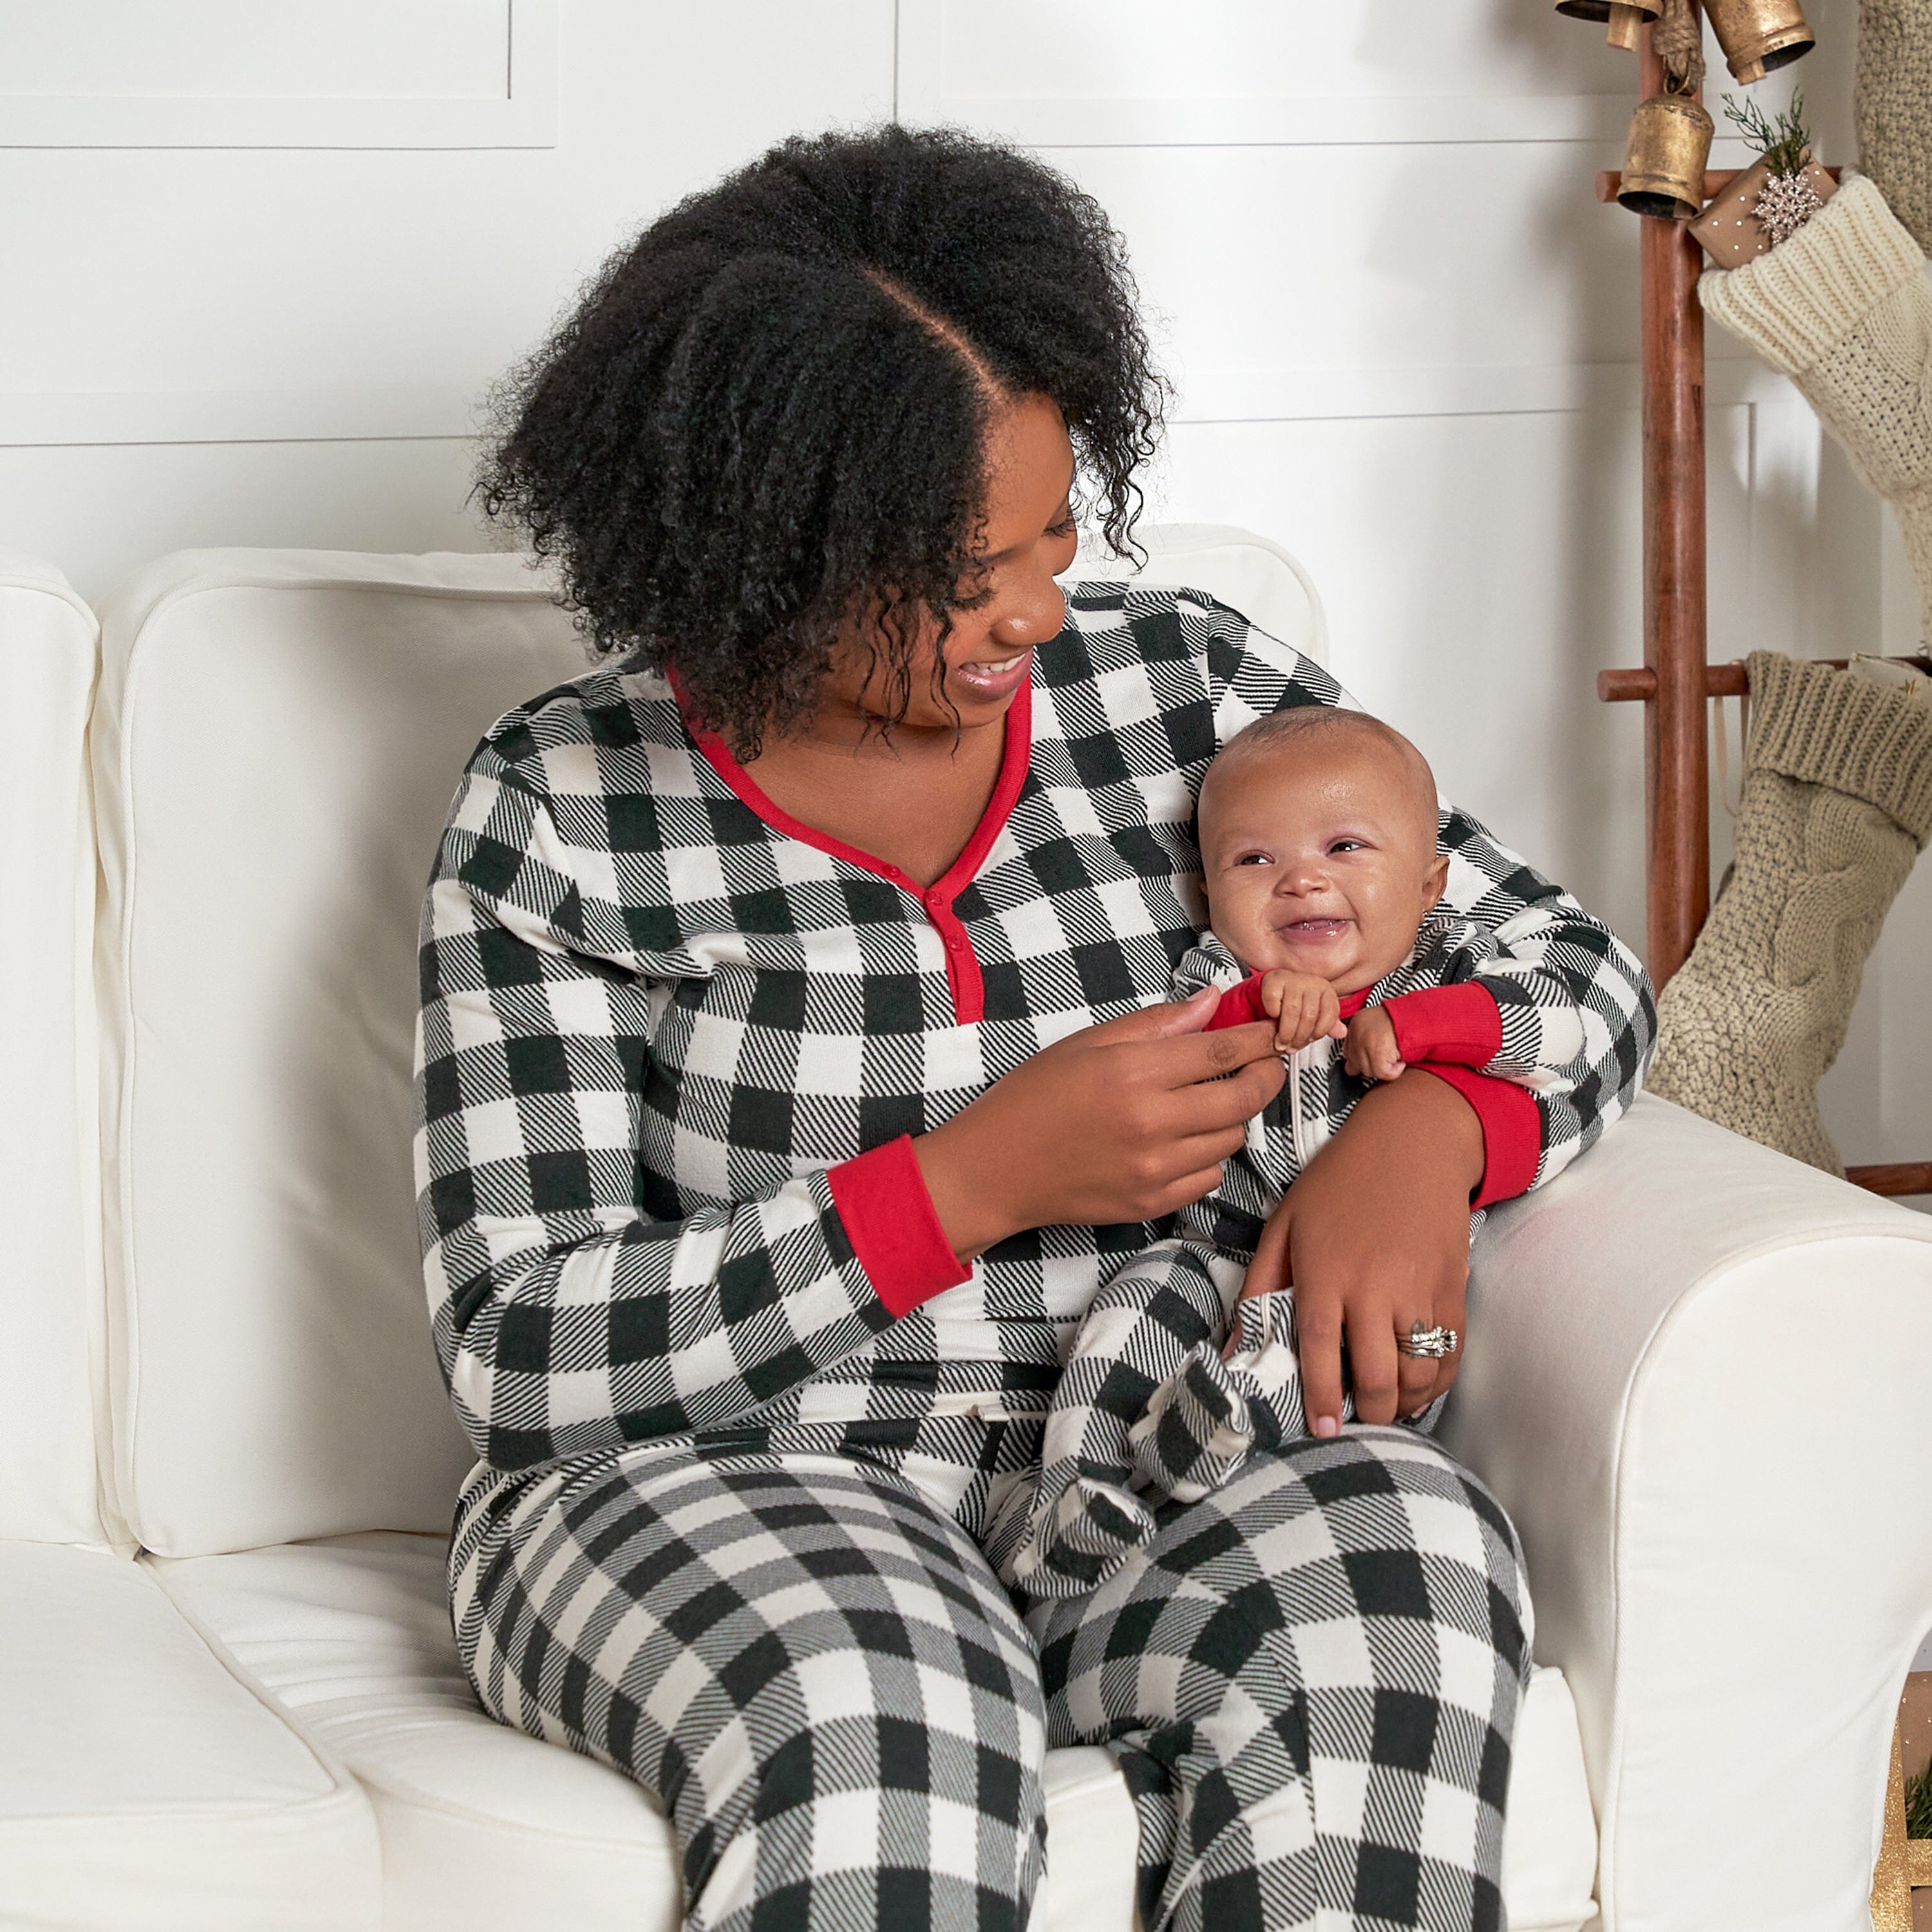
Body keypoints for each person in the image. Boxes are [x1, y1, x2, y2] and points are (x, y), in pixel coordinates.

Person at [413, 125, 1654, 1932]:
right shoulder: (566, 804)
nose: (1033, 610)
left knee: (1410, 1569)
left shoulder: (1187, 690)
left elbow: (1575, 966)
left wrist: (1430, 1130)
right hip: (729, 1483)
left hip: (1157, 1456)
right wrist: (968, 1183)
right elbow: (520, 1350)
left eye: (1055, 529)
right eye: (956, 570)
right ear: (765, 551)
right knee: (888, 1723)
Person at [993, 706, 1598, 1599]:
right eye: (1254, 861)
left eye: (1345, 848)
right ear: (1209, 895)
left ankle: (1212, 1436)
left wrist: (1420, 1031)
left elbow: (1561, 1028)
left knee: (1337, 1349)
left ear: (1429, 884)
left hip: (1388, 1307)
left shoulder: (1451, 969)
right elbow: (1179, 1053)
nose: (1302, 880)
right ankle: (1075, 1497)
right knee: (1134, 1303)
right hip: (1216, 1262)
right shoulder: (1222, 981)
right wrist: (1265, 1010)